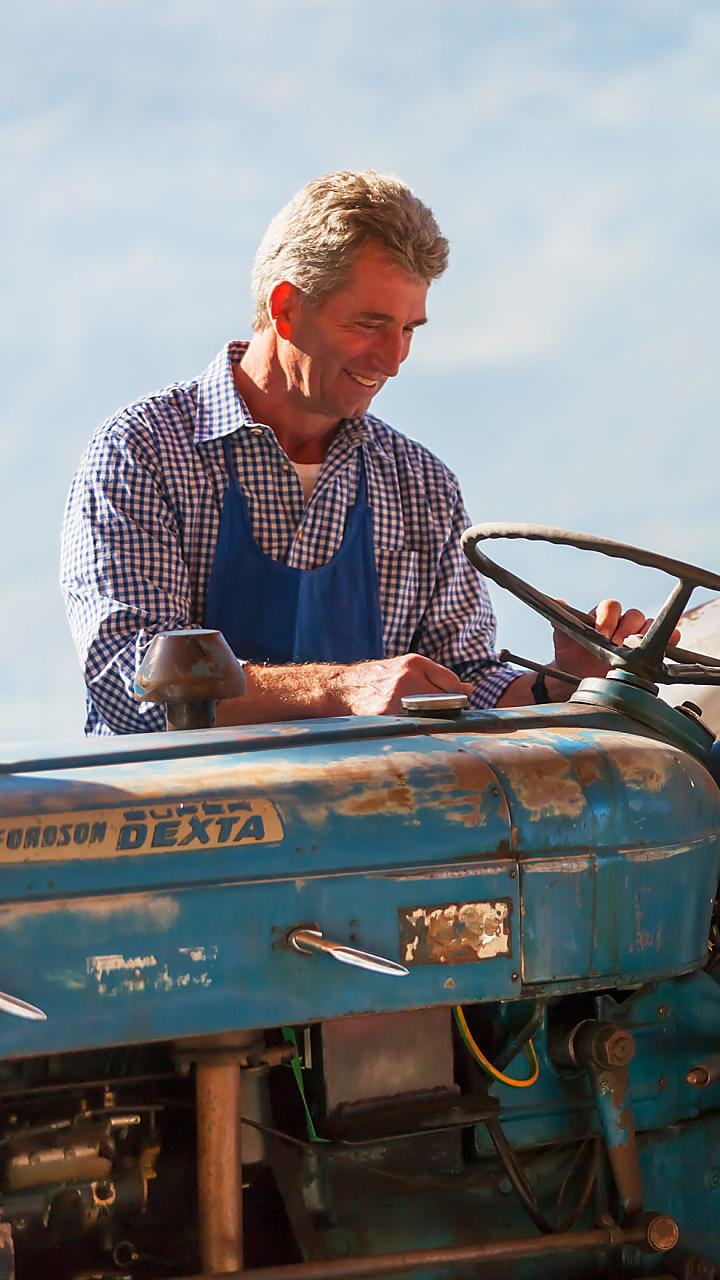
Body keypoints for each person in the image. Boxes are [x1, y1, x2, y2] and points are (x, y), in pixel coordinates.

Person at [61, 170, 646, 736]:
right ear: (286, 307)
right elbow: (131, 684)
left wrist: (561, 684)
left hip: (373, 824)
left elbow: (463, 684)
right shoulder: (144, 451)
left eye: (410, 329)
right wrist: (342, 690)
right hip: (188, 826)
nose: (392, 360)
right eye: (369, 324)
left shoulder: (421, 484)